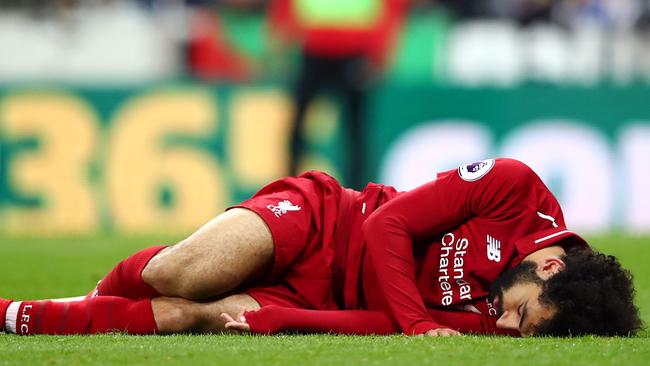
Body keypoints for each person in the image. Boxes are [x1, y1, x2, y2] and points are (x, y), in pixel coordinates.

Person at [0, 158, 641, 337]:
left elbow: (376, 324)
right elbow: (384, 227)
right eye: (520, 312)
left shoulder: (507, 325)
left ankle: (11, 313)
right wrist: (420, 325)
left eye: (518, 329)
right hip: (324, 219)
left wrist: (277, 320)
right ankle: (92, 300)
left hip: (322, 293)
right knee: (180, 273)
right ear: (550, 265)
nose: (503, 323)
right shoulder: (512, 188)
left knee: (185, 316)